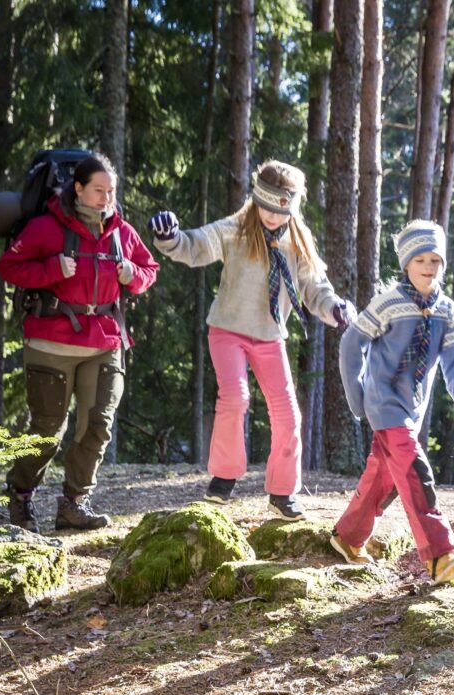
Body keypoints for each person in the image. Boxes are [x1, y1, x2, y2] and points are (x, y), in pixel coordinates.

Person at [148, 160, 355, 521]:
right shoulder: (236, 230)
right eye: (266, 207)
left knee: (287, 412)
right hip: (227, 331)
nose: (272, 217)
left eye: (280, 210)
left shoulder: (297, 242)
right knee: (235, 397)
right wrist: (170, 238)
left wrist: (334, 308)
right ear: (255, 200)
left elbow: (315, 288)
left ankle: (282, 492)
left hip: (270, 337)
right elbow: (196, 244)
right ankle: (224, 478)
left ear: (291, 207)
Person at [0, 153, 158, 532]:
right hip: (51, 342)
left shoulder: (121, 232)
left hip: (104, 341)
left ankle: (74, 503)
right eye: (98, 190)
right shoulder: (45, 227)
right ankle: (20, 494)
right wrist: (52, 268)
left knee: (97, 425)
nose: (106, 198)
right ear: (79, 188)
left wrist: (132, 275)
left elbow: (149, 270)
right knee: (47, 432)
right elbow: (8, 266)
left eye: (111, 191)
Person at [330, 220, 454, 585]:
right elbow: (352, 343)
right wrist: (357, 396)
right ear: (407, 263)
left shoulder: (446, 311)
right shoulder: (389, 303)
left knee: (385, 478)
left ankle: (347, 537)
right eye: (420, 259)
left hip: (412, 409)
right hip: (383, 403)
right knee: (414, 470)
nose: (428, 267)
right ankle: (441, 555)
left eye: (435, 260)